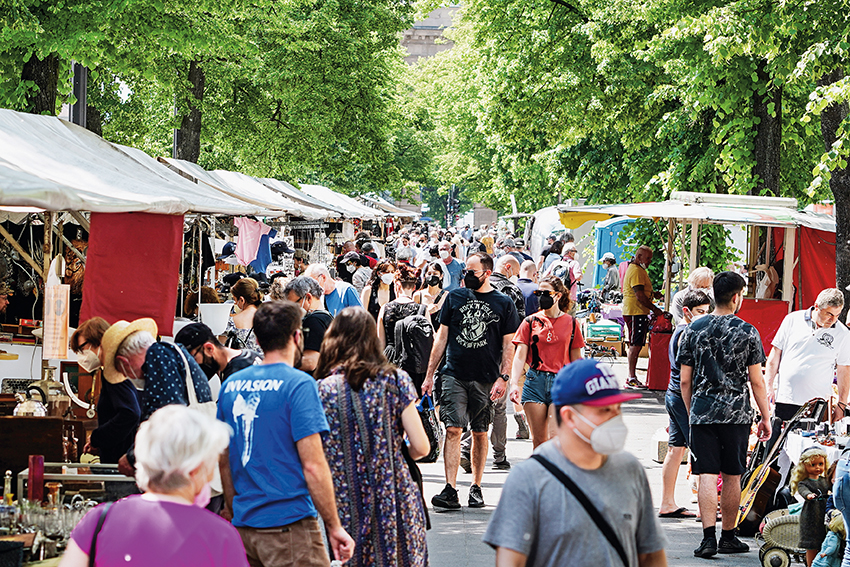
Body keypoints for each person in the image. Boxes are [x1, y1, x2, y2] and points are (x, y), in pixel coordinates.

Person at [483, 359, 668, 567]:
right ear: (570, 416)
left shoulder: (630, 469)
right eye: (604, 410)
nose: (615, 418)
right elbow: (510, 561)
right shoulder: (528, 479)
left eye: (617, 408)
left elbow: (652, 555)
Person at [217, 301, 355, 567]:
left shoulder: (232, 384)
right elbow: (313, 465)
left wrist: (236, 510)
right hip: (289, 525)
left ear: (257, 339)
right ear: (297, 336)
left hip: (245, 526)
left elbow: (224, 459)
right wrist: (334, 526)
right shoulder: (299, 384)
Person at [59, 405, 248, 567]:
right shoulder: (221, 536)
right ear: (195, 469)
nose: (211, 474)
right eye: (211, 463)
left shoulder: (98, 521)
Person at [314, 307, 430, 567]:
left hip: (345, 501)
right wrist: (397, 450)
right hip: (395, 496)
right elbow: (422, 446)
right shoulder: (395, 380)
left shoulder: (322, 389)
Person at [677, 270, 772, 558]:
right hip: (737, 415)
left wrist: (692, 410)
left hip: (703, 412)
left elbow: (684, 379)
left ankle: (707, 539)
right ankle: (728, 536)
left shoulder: (693, 328)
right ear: (736, 297)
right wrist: (765, 416)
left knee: (706, 472)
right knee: (732, 474)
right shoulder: (747, 331)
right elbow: (757, 381)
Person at [423, 252, 520, 510]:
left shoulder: (503, 303)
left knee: (479, 432)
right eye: (465, 271)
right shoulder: (454, 297)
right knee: (453, 429)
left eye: (472, 272)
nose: (466, 276)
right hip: (454, 373)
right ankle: (450, 489)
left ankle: (476, 486)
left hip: (487, 378)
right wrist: (430, 375)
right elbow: (441, 338)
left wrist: (504, 377)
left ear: (487, 273)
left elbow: (509, 345)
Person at [101, 319, 215, 478]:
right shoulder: (175, 353)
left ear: (124, 362)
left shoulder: (157, 354)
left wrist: (133, 456)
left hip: (188, 471)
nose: (128, 376)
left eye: (123, 372)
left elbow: (166, 416)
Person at [509, 275, 585, 449]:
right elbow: (520, 355)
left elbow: (576, 360)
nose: (541, 296)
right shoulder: (530, 322)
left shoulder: (571, 323)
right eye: (538, 292)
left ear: (557, 295)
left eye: (546, 293)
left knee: (555, 437)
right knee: (539, 440)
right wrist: (514, 384)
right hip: (535, 381)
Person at [658, 290, 710, 518]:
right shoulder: (685, 334)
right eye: (700, 312)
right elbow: (687, 377)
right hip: (682, 396)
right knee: (699, 451)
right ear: (686, 311)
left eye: (707, 312)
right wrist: (691, 408)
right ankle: (703, 508)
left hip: (675, 394)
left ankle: (667, 502)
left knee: (676, 448)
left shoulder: (682, 331)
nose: (704, 316)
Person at [765, 288, 850, 421]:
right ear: (817, 306)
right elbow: (774, 355)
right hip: (786, 398)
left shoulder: (843, 334)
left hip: (818, 404)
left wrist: (841, 405)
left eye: (837, 315)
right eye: (829, 314)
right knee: (781, 440)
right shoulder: (792, 319)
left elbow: (844, 370)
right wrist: (768, 386)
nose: (832, 320)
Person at [70, 317, 140, 465]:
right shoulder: (120, 368)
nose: (81, 356)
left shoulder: (114, 371)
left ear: (99, 341)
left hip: (121, 465)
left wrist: (98, 438)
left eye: (82, 349)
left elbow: (130, 413)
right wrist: (102, 444)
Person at [485, 254, 528, 456]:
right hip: (504, 351)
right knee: (500, 406)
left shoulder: (479, 286)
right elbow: (520, 328)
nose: (516, 277)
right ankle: (499, 453)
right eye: (516, 272)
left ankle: (468, 450)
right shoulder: (512, 291)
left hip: (479, 350)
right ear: (508, 267)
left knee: (476, 401)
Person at [377, 264, 429, 394]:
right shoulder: (422, 309)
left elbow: (380, 343)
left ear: (397, 285)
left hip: (391, 360)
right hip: (415, 362)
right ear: (413, 287)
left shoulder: (385, 308)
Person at [623, 246, 663, 389]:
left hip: (637, 311)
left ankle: (632, 376)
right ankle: (631, 377)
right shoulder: (636, 271)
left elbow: (643, 292)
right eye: (648, 258)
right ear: (639, 257)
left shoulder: (638, 270)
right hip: (635, 311)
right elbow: (639, 295)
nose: (650, 261)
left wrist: (654, 295)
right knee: (635, 344)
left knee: (637, 344)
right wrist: (655, 309)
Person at [175, 323, 261, 383]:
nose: (192, 364)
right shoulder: (250, 356)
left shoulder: (236, 378)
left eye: (193, 358)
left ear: (209, 348)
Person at [282, 276, 333, 377]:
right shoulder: (326, 317)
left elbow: (310, 362)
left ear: (308, 298)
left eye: (294, 305)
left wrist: (280, 363)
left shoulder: (314, 321)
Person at [791, 447, 831, 566]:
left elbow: (831, 487)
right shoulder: (804, 482)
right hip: (810, 517)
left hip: (824, 514)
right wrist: (808, 495)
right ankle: (811, 564)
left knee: (825, 542)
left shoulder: (825, 481)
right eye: (813, 465)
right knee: (812, 544)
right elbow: (803, 490)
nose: (818, 467)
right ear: (805, 466)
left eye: (820, 464)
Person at [225, 277, 262, 353]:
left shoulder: (232, 322)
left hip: (242, 363)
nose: (235, 303)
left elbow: (225, 349)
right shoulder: (269, 317)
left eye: (235, 300)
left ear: (242, 300)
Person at [413, 261, 449, 328]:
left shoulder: (447, 295)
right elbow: (413, 318)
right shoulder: (418, 295)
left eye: (435, 274)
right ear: (425, 275)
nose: (432, 276)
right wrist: (426, 312)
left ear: (441, 276)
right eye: (429, 274)